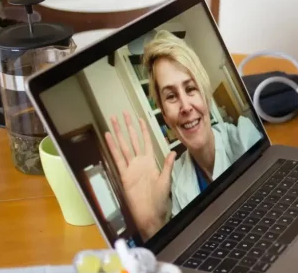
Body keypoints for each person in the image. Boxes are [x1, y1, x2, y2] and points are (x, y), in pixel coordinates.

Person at [105, 30, 261, 240]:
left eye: (190, 88)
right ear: (164, 113)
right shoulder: (178, 177)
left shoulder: (245, 137)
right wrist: (152, 226)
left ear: (204, 95)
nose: (185, 106)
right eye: (171, 96)